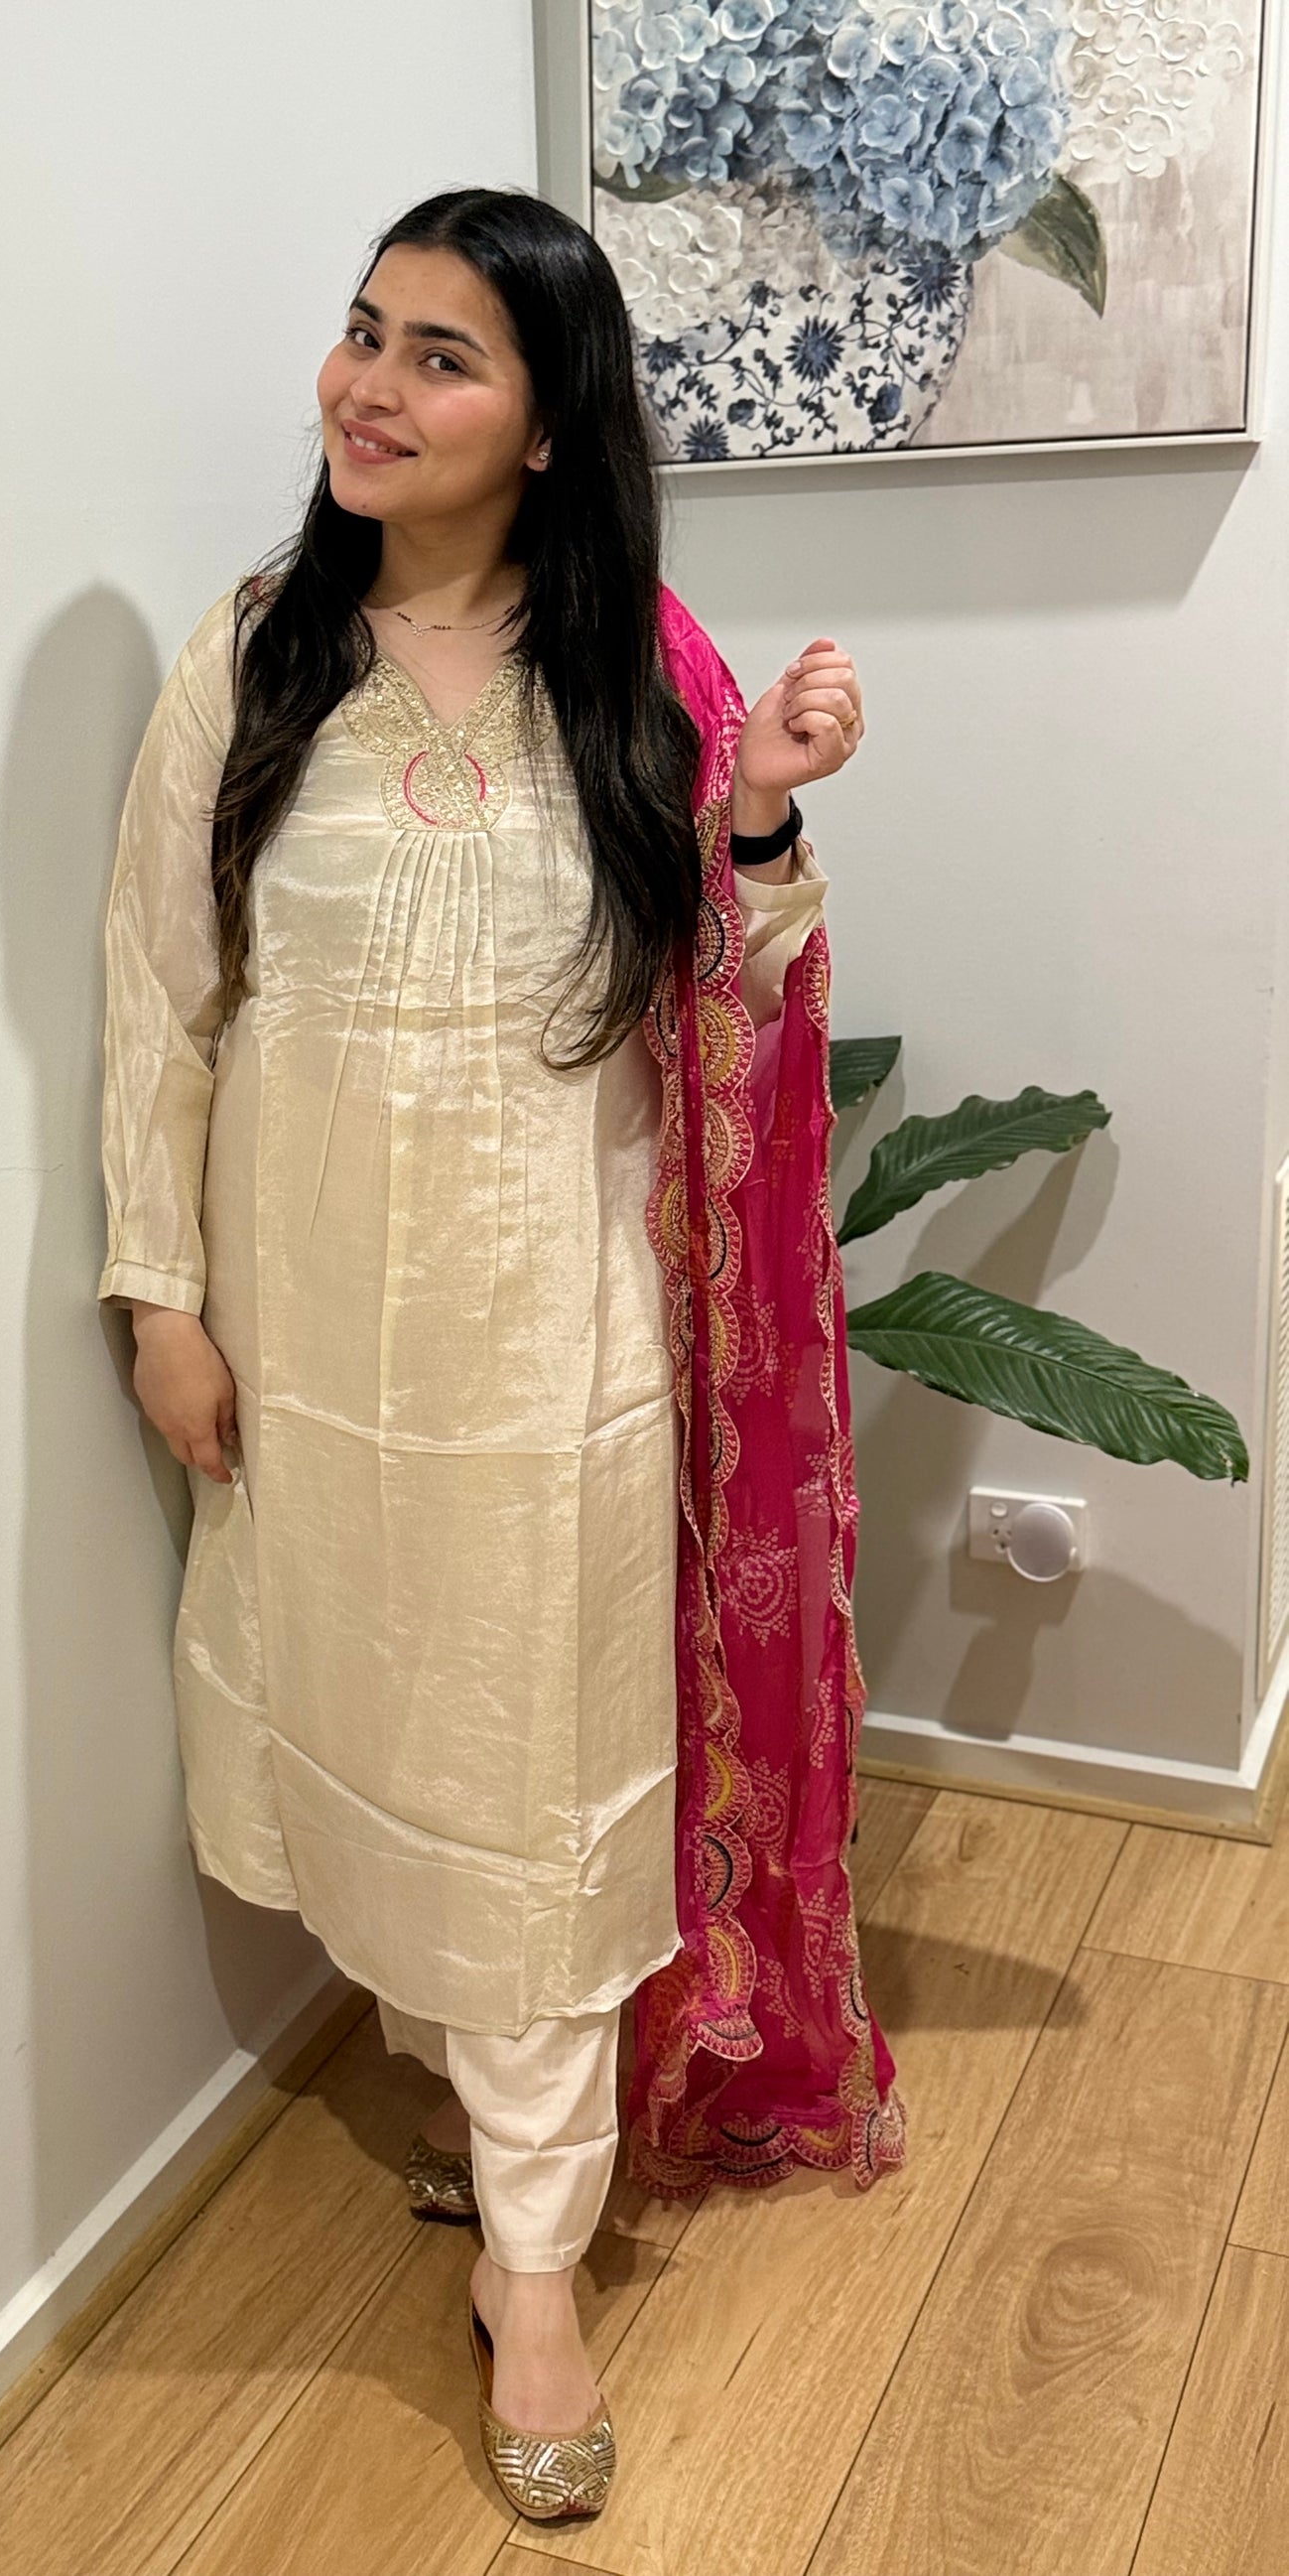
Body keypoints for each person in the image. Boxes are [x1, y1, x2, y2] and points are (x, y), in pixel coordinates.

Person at [96, 186, 904, 2525]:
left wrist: (758, 808)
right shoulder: (250, 652)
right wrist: (163, 1293)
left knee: (539, 1766)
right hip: (310, 1345)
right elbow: (160, 998)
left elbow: (732, 994)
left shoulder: (633, 666)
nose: (369, 385)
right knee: (366, 1724)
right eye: (364, 331)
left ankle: (533, 2262)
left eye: (441, 355)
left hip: (560, 1351)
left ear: (548, 425)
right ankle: (475, 2091)